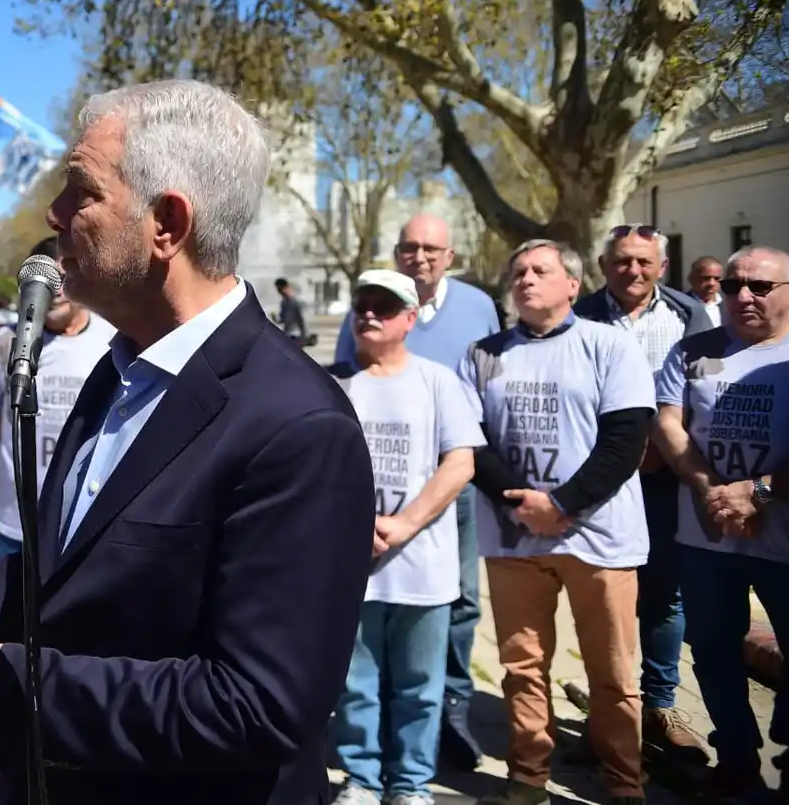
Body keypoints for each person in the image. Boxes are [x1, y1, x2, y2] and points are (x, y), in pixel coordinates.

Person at [0, 79, 376, 805]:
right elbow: (86, 578)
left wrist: (16, 689)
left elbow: (262, 704)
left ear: (166, 223)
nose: (53, 214)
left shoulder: (300, 427)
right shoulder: (119, 373)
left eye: (81, 191)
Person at [459, 239, 654, 805]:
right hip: (515, 537)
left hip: (600, 538)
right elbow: (471, 443)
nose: (525, 280)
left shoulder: (608, 346)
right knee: (522, 665)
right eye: (517, 271)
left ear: (572, 285)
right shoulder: (482, 354)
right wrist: (525, 506)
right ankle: (528, 776)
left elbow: (625, 443)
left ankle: (623, 782)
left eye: (540, 271)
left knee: (613, 673)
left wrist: (562, 505)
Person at [652, 246, 789, 804]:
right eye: (731, 286)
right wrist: (708, 488)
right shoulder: (692, 350)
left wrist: (760, 492)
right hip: (706, 538)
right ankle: (736, 757)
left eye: (758, 286)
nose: (741, 295)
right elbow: (668, 423)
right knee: (712, 648)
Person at [336, 213, 501, 770]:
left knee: (421, 676)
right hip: (352, 557)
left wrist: (404, 524)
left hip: (421, 550)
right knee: (356, 679)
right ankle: (360, 771)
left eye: (384, 308)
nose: (368, 316)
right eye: (363, 306)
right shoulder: (335, 383)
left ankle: (412, 778)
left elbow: (461, 461)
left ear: (409, 318)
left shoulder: (440, 376)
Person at [572, 224, 712, 763]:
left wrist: (665, 450)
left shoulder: (687, 316)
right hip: (601, 477)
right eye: (622, 261)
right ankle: (607, 713)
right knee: (601, 597)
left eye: (644, 262)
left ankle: (659, 704)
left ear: (662, 265)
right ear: (605, 265)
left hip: (666, 475)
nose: (633, 271)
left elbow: (702, 389)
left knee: (666, 593)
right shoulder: (581, 314)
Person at [0, 236, 114, 560]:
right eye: (45, 281)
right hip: (17, 527)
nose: (54, 292)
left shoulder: (112, 340)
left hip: (83, 524)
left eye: (64, 278)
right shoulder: (5, 342)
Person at [686, 255, 724, 326]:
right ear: (691, 279)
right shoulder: (682, 306)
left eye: (717, 278)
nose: (712, 283)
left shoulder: (728, 307)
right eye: (706, 278)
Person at [275, 277, 309, 345]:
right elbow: (283, 320)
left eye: (281, 289)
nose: (280, 292)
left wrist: (305, 337)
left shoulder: (297, 302)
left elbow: (303, 320)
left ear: (287, 287)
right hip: (287, 336)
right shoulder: (284, 302)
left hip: (296, 336)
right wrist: (276, 319)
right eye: (278, 289)